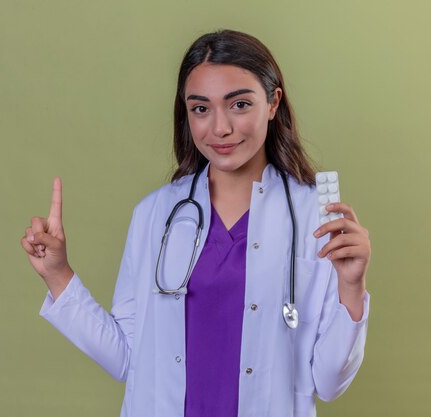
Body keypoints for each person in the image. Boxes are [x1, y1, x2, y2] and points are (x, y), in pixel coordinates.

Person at [20, 29, 371, 417]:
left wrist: (351, 287)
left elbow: (328, 382)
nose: (219, 128)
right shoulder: (156, 214)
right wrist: (58, 275)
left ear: (273, 103)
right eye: (200, 109)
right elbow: (126, 357)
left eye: (239, 104)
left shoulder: (314, 218)